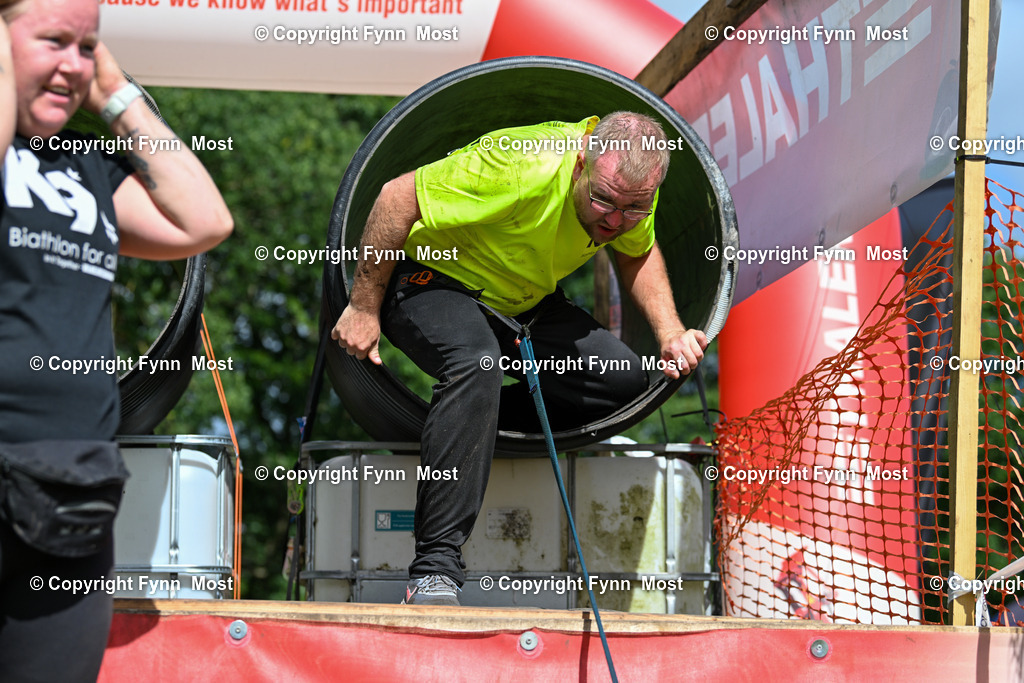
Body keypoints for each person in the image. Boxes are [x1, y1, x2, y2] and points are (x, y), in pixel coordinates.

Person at [331, 112, 706, 606]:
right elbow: (395, 197)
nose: (615, 221)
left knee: (626, 383)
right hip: (430, 278)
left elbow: (637, 253)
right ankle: (435, 570)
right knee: (476, 362)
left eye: (634, 209)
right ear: (579, 164)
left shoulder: (632, 190)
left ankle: (467, 424)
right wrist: (362, 306)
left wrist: (670, 333)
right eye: (603, 202)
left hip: (520, 303)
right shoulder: (520, 165)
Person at [0, 0, 232, 680]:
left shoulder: (88, 169)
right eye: (54, 42)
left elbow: (203, 220)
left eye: (89, 47)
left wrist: (114, 93)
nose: (74, 64)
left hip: (67, 492)